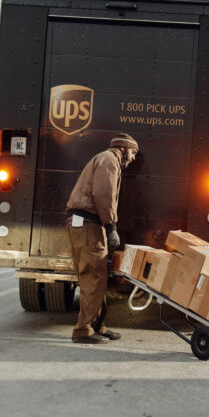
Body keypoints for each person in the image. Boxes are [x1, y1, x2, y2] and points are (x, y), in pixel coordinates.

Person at [66, 132, 138, 344]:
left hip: (84, 224)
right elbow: (104, 194)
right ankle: (83, 330)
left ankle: (97, 324)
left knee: (93, 276)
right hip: (88, 224)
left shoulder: (105, 158)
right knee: (94, 276)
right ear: (123, 149)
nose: (133, 158)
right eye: (133, 153)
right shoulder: (109, 160)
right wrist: (111, 226)